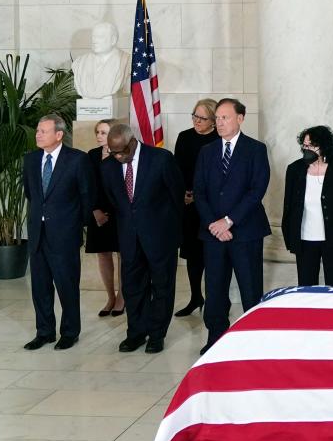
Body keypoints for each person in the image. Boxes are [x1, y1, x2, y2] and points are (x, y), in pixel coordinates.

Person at [194, 98, 271, 355]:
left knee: (250, 288)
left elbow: (256, 190)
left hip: (245, 231)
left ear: (240, 118)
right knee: (214, 288)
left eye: (225, 118)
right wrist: (213, 224)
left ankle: (253, 339)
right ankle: (216, 337)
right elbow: (200, 191)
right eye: (216, 118)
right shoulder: (207, 151)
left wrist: (229, 221)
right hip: (213, 233)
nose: (219, 123)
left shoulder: (256, 149)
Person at [100, 124, 184, 354]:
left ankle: (157, 335)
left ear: (132, 142)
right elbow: (115, 203)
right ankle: (136, 333)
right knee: (132, 287)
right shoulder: (108, 167)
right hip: (128, 238)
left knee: (162, 286)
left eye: (121, 152)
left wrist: (174, 234)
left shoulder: (161, 159)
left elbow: (177, 197)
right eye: (113, 152)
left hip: (161, 237)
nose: (117, 157)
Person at [22, 114, 94, 351]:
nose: (38, 134)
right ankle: (44, 332)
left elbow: (86, 197)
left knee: (66, 285)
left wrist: (75, 225)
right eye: (38, 130)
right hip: (37, 233)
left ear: (59, 134)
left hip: (65, 234)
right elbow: (31, 194)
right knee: (40, 287)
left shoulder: (77, 160)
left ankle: (70, 332)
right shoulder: (31, 160)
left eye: (43, 131)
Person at [281, 126, 333, 287]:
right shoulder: (295, 169)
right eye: (304, 146)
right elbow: (288, 206)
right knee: (306, 287)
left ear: (324, 146)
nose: (307, 149)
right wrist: (289, 237)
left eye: (311, 146)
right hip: (305, 239)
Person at [173, 98, 220, 317]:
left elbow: (219, 176)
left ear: (213, 120)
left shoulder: (219, 139)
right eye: (194, 115)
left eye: (202, 118)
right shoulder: (184, 137)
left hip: (211, 206)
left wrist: (198, 196)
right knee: (192, 254)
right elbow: (177, 169)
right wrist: (183, 192)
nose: (197, 121)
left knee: (210, 254)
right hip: (188, 205)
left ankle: (214, 300)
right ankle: (195, 296)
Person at [86, 118, 124, 317]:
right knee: (103, 253)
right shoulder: (91, 155)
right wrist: (94, 211)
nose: (99, 136)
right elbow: (86, 186)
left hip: (119, 212)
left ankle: (121, 297)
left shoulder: (121, 155)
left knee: (123, 254)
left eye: (103, 132)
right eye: (98, 132)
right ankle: (110, 296)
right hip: (97, 211)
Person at [71, 22, 130, 98]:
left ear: (113, 40)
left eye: (100, 37)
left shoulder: (127, 60)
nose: (94, 41)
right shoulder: (80, 63)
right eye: (93, 37)